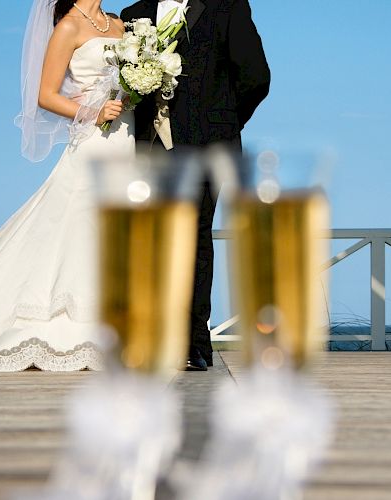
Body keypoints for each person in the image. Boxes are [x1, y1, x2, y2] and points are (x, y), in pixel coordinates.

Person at [0, 0, 134, 371]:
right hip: (95, 141)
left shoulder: (119, 23)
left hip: (129, 139)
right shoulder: (68, 27)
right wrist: (94, 111)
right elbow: (45, 95)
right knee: (81, 222)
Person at [121, 0, 270, 370]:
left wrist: (223, 121)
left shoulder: (227, 6)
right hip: (147, 149)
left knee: (194, 239)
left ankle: (193, 345)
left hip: (206, 146)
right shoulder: (132, 15)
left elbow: (256, 76)